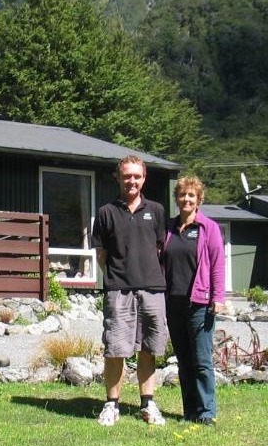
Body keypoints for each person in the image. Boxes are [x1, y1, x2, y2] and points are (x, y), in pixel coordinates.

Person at [91, 155, 168, 426]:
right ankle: (111, 405)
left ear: (144, 178)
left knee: (149, 348)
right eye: (127, 176)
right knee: (115, 349)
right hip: (118, 290)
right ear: (118, 178)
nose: (131, 181)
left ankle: (148, 404)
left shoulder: (156, 210)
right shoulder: (105, 213)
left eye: (136, 176)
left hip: (152, 289)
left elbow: (160, 249)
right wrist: (116, 277)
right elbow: (101, 255)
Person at [163, 176, 225, 425]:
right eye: (182, 195)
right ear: (176, 199)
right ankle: (189, 411)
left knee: (201, 361)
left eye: (191, 195)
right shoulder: (168, 228)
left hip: (199, 303)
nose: (186, 199)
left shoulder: (208, 228)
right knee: (184, 361)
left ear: (199, 200)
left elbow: (218, 264)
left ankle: (206, 412)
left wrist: (218, 296)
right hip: (173, 303)